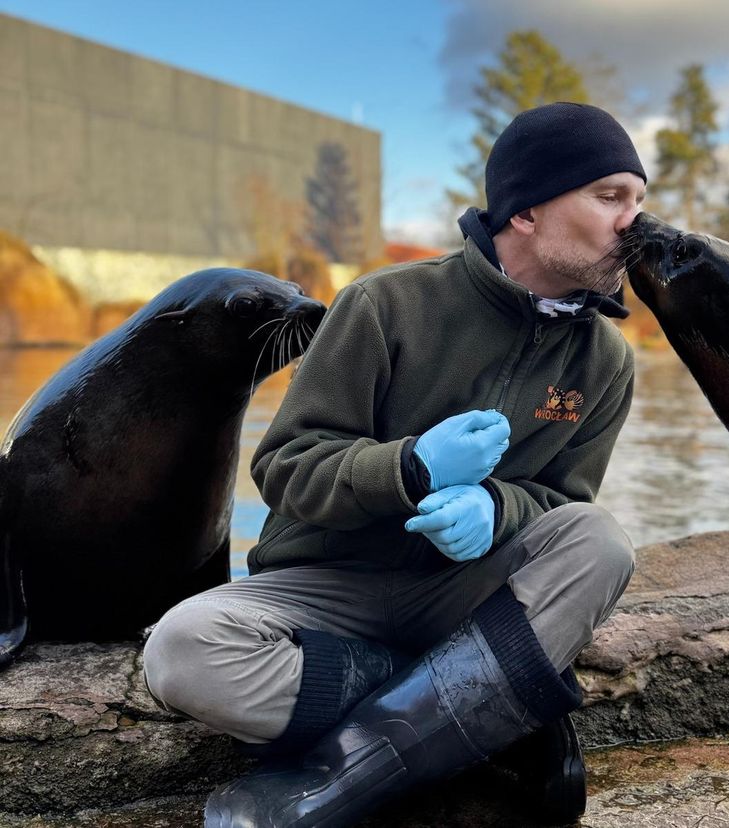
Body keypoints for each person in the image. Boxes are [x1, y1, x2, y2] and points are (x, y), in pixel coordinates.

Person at [143, 101, 645, 828]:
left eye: (638, 200)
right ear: (528, 212)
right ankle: (467, 707)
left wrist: (497, 509)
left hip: (461, 597)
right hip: (326, 588)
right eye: (609, 197)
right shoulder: (384, 305)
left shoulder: (605, 360)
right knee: (182, 650)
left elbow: (561, 503)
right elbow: (285, 469)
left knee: (600, 541)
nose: (633, 220)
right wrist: (410, 468)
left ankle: (337, 777)